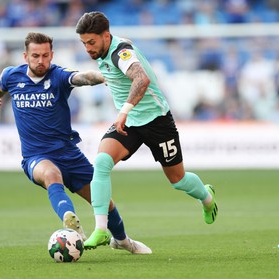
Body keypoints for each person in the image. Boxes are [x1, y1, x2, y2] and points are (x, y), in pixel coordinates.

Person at [0, 32, 152, 254]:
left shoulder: (58, 76)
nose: (41, 61)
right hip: (36, 157)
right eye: (35, 56)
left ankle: (123, 241)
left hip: (68, 154)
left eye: (46, 56)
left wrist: (106, 76)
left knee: (102, 200)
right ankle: (71, 222)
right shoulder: (12, 76)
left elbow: (83, 77)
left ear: (52, 55)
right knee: (51, 175)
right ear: (25, 56)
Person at [75, 11, 218, 250]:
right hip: (130, 124)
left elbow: (141, 80)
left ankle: (207, 197)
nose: (88, 48)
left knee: (178, 180)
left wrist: (123, 112)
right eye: (84, 44)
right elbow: (108, 75)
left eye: (91, 42)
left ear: (106, 36)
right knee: (101, 162)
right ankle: (100, 229)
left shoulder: (121, 51)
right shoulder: (102, 54)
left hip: (156, 120)